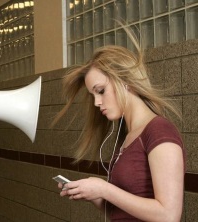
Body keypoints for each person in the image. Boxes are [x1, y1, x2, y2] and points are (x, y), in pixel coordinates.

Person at [53, 28, 185, 221]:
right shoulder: (127, 136)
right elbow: (121, 213)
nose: (97, 102)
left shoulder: (159, 131)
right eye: (93, 95)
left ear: (125, 81)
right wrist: (92, 194)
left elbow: (169, 215)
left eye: (101, 91)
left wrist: (104, 189)